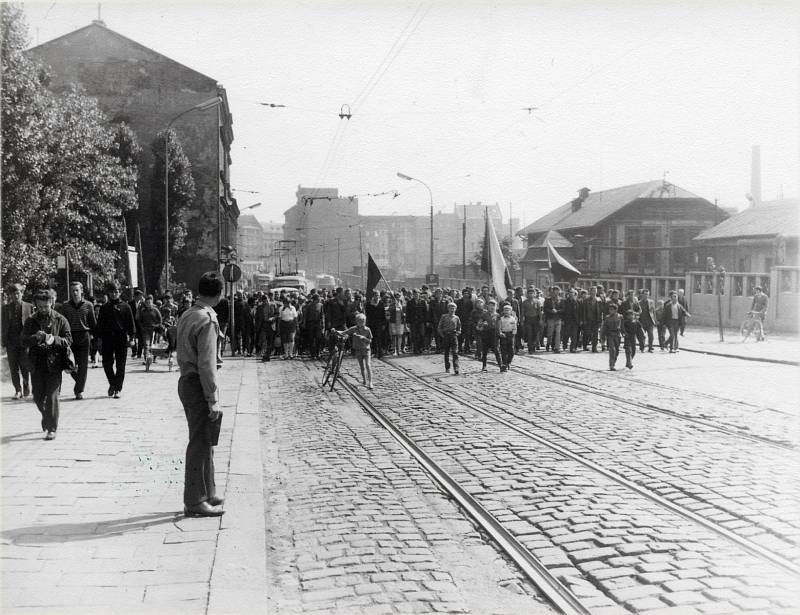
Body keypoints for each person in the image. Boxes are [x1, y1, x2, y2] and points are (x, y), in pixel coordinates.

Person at [177, 271, 225, 517]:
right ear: (220, 294)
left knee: (206, 439)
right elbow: (207, 364)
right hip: (198, 383)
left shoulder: (188, 313)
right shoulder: (207, 320)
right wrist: (213, 399)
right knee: (200, 441)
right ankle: (195, 500)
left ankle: (208, 490)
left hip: (187, 380)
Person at [23, 289, 72, 440]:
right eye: (40, 307)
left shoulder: (60, 319)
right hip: (36, 363)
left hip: (54, 363)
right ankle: (46, 416)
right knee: (37, 397)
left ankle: (52, 428)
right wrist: (35, 338)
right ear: (36, 305)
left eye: (46, 306)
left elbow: (69, 340)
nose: (44, 309)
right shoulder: (31, 320)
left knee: (52, 397)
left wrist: (52, 339)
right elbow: (22, 340)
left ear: (51, 303)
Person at [57, 281, 97, 399]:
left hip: (84, 336)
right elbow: (61, 323)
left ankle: (78, 390)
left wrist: (95, 338)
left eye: (77, 290)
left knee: (83, 365)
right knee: (69, 364)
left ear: (81, 291)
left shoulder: (88, 305)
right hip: (70, 337)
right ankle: (79, 382)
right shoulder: (65, 306)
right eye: (73, 290)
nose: (74, 293)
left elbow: (93, 323)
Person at [96, 281, 136, 398]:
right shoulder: (104, 308)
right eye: (112, 292)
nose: (114, 294)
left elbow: (131, 323)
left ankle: (118, 388)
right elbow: (100, 324)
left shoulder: (126, 306)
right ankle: (112, 383)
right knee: (107, 363)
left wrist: (132, 337)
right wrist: (98, 339)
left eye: (116, 292)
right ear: (109, 293)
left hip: (121, 338)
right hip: (107, 338)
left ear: (120, 292)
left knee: (121, 365)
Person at [1, 283, 33, 399]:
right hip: (11, 342)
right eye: (13, 293)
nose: (16, 295)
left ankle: (26, 387)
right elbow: (3, 326)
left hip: (24, 341)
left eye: (18, 293)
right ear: (10, 295)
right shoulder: (5, 309)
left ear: (22, 293)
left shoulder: (29, 307)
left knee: (24, 366)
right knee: (13, 367)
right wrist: (3, 341)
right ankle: (17, 390)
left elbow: (32, 324)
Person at [342, 313, 373, 388]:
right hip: (358, 350)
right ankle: (364, 380)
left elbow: (370, 340)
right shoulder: (354, 329)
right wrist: (336, 331)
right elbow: (345, 332)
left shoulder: (367, 330)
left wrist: (363, 338)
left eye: (363, 321)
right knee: (362, 366)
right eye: (360, 321)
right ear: (357, 321)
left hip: (366, 350)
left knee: (368, 365)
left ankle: (370, 382)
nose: (362, 323)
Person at [476, 299, 502, 372]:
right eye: (490, 306)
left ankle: (501, 365)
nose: (492, 307)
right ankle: (484, 366)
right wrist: (481, 325)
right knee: (485, 351)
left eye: (494, 306)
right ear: (488, 307)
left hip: (494, 334)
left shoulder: (498, 315)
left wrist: (499, 332)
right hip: (486, 333)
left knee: (496, 350)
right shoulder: (484, 315)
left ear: (496, 307)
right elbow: (479, 324)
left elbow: (499, 325)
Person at [136, 294, 163, 364]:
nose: (148, 304)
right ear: (145, 303)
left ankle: (153, 358)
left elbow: (160, 320)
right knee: (146, 345)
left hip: (154, 330)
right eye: (147, 303)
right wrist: (142, 327)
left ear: (152, 303)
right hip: (145, 330)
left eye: (149, 302)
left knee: (153, 345)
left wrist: (157, 325)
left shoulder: (156, 310)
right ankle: (146, 359)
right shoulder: (143, 311)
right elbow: (140, 321)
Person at [437, 302, 461, 375]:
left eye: (453, 308)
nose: (452, 309)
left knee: (455, 352)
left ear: (455, 309)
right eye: (451, 308)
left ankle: (456, 368)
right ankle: (447, 367)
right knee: (446, 352)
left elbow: (459, 328)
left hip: (453, 336)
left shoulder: (456, 318)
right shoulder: (444, 316)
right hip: (446, 336)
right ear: (448, 309)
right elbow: (439, 327)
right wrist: (442, 335)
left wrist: (457, 333)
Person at [599, 303, 623, 371]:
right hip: (610, 335)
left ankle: (613, 362)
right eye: (610, 309)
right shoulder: (607, 318)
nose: (610, 311)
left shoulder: (620, 316)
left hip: (617, 335)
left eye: (612, 309)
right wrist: (602, 338)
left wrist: (624, 333)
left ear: (616, 310)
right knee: (612, 350)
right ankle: (611, 365)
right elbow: (604, 328)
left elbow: (623, 326)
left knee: (617, 351)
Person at [497, 303, 518, 372]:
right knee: (503, 350)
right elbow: (499, 328)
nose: (506, 311)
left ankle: (509, 362)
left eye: (508, 310)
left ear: (511, 311)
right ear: (503, 311)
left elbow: (514, 328)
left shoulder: (512, 319)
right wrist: (500, 333)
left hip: (510, 335)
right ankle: (505, 364)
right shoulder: (501, 319)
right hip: (503, 335)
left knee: (511, 351)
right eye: (505, 310)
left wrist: (513, 334)